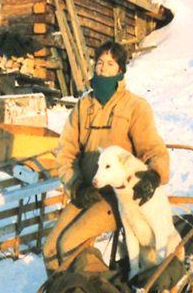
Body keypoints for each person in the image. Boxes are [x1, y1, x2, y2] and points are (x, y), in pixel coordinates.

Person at [43, 40, 170, 274]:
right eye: (99, 63)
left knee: (68, 244)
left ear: (120, 70)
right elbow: (66, 151)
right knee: (50, 249)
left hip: (118, 198)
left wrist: (154, 175)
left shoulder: (134, 106)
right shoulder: (83, 107)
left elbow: (153, 149)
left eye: (110, 63)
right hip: (87, 191)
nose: (102, 68)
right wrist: (77, 185)